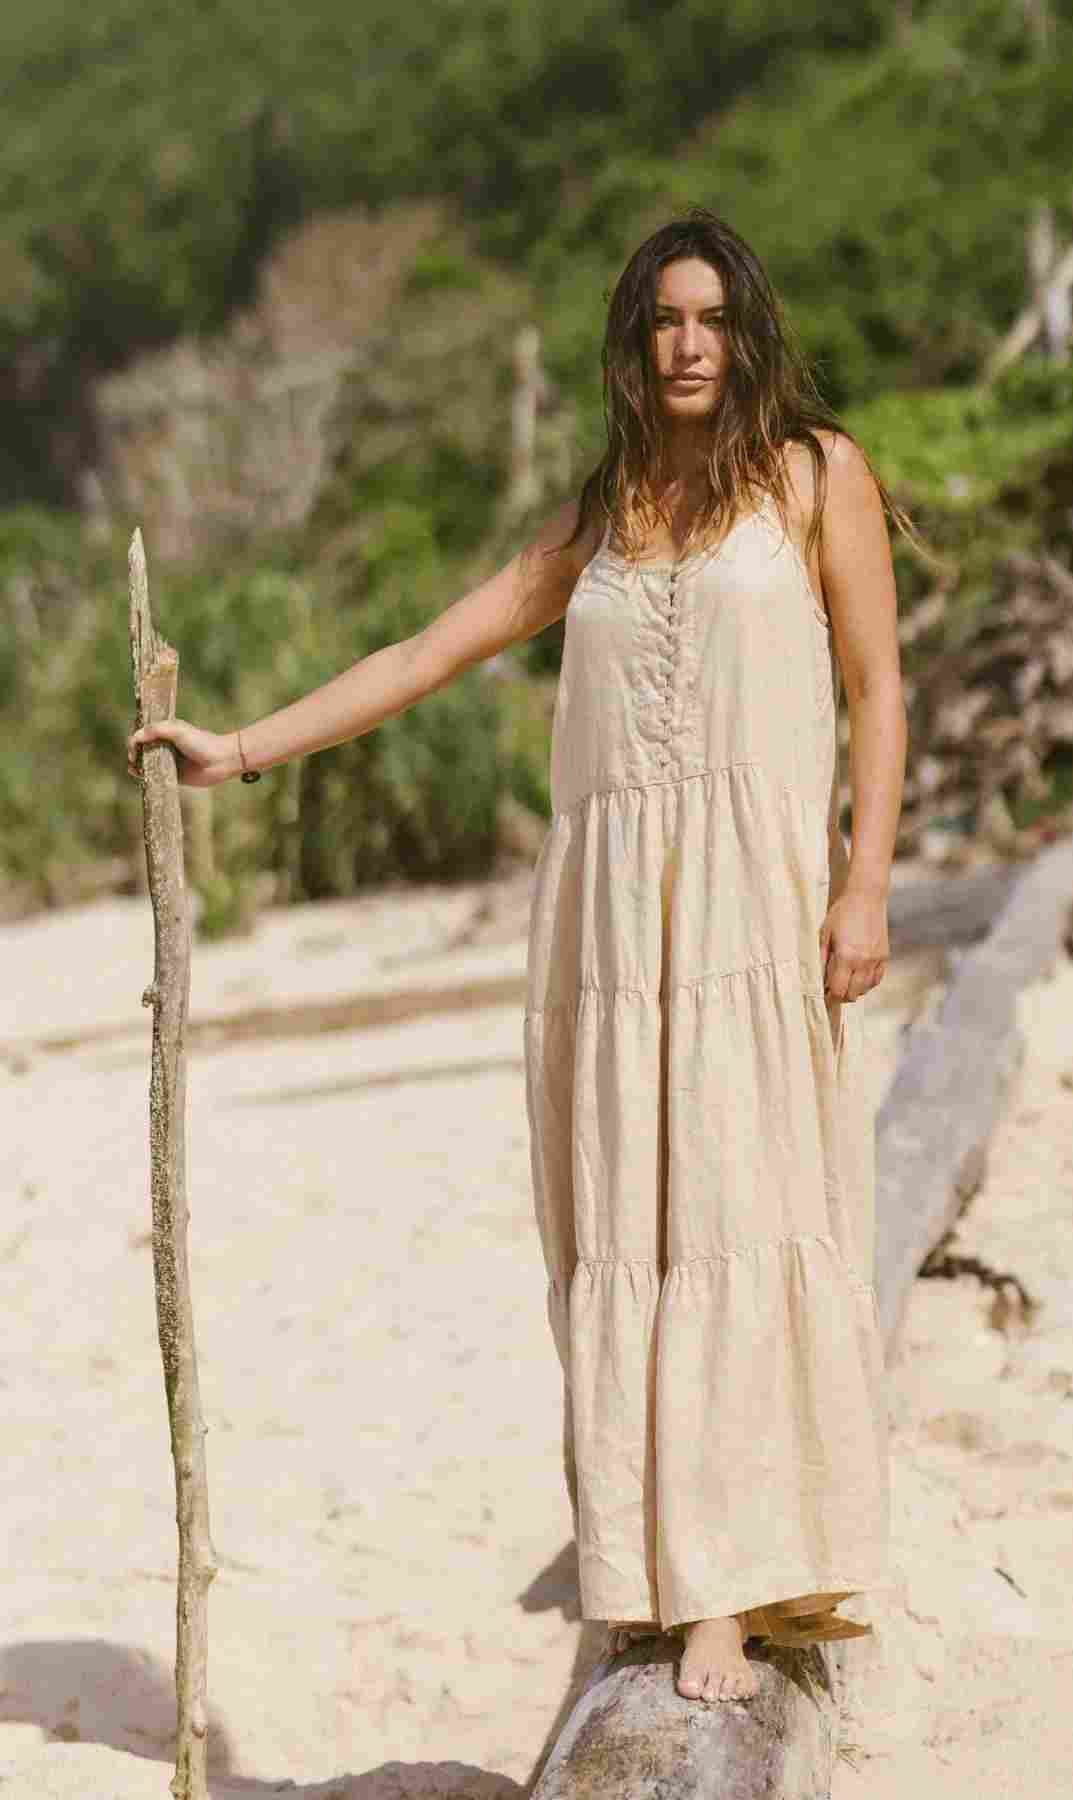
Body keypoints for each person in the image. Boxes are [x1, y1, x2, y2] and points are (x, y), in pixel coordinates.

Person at [127, 206, 914, 1706]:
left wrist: (864, 885)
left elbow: (877, 690)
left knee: (746, 1206)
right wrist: (242, 748)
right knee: (632, 1226)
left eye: (711, 319)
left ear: (747, 334)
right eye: (662, 322)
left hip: (754, 911)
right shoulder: (606, 509)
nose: (688, 345)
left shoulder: (819, 478)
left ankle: (731, 1600)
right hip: (612, 921)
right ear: (633, 345)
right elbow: (432, 650)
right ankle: (646, 1574)